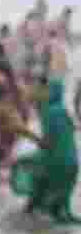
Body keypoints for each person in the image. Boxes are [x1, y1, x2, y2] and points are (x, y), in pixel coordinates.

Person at [11, 77, 80, 223]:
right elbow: (70, 130)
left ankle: (31, 214)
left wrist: (35, 142)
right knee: (58, 187)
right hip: (72, 160)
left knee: (35, 174)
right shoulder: (63, 111)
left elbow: (47, 140)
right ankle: (60, 213)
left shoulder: (50, 112)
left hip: (55, 158)